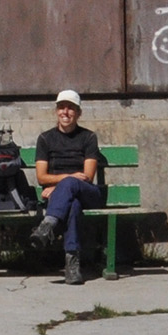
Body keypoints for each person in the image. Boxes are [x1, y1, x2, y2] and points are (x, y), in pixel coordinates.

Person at [35, 89, 105, 285]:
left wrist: (59, 185)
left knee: (71, 186)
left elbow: (87, 177)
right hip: (65, 199)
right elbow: (41, 178)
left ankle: (48, 225)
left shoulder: (88, 137)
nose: (65, 112)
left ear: (78, 113)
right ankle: (72, 266)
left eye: (71, 108)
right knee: (72, 205)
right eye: (61, 107)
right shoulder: (45, 139)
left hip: (88, 193)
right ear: (56, 111)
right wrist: (66, 180)